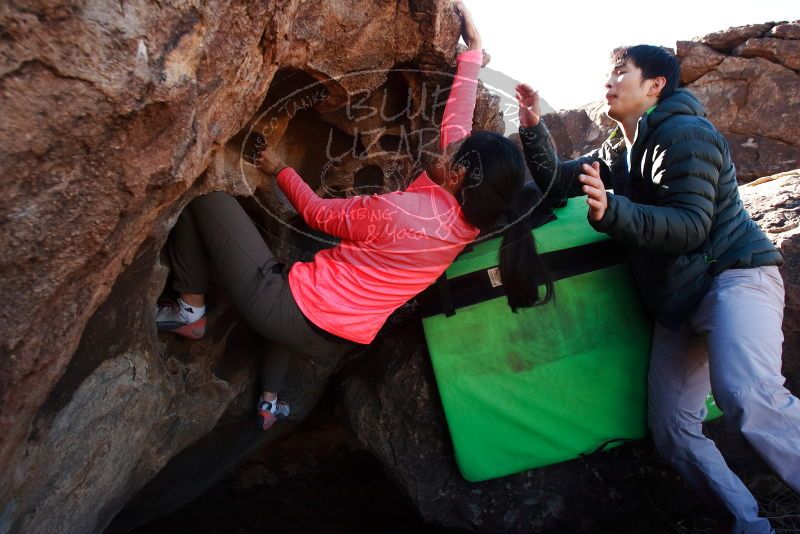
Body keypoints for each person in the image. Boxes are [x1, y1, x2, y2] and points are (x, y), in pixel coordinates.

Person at [156, 0, 551, 431]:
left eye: (453, 151)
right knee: (296, 317)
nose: (446, 143)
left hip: (290, 308)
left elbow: (316, 213)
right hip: (333, 337)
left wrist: (279, 169)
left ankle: (189, 308)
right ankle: (269, 404)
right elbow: (456, 123)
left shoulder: (402, 213)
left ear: (456, 175)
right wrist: (473, 52)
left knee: (207, 200)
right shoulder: (470, 218)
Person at [516, 44, 799, 532]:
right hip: (679, 301)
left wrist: (614, 212)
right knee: (672, 429)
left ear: (655, 85)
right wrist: (531, 127)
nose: (609, 83)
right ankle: (749, 525)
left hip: (733, 276)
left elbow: (691, 225)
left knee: (750, 395)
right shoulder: (617, 149)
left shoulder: (686, 133)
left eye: (620, 73)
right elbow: (558, 182)